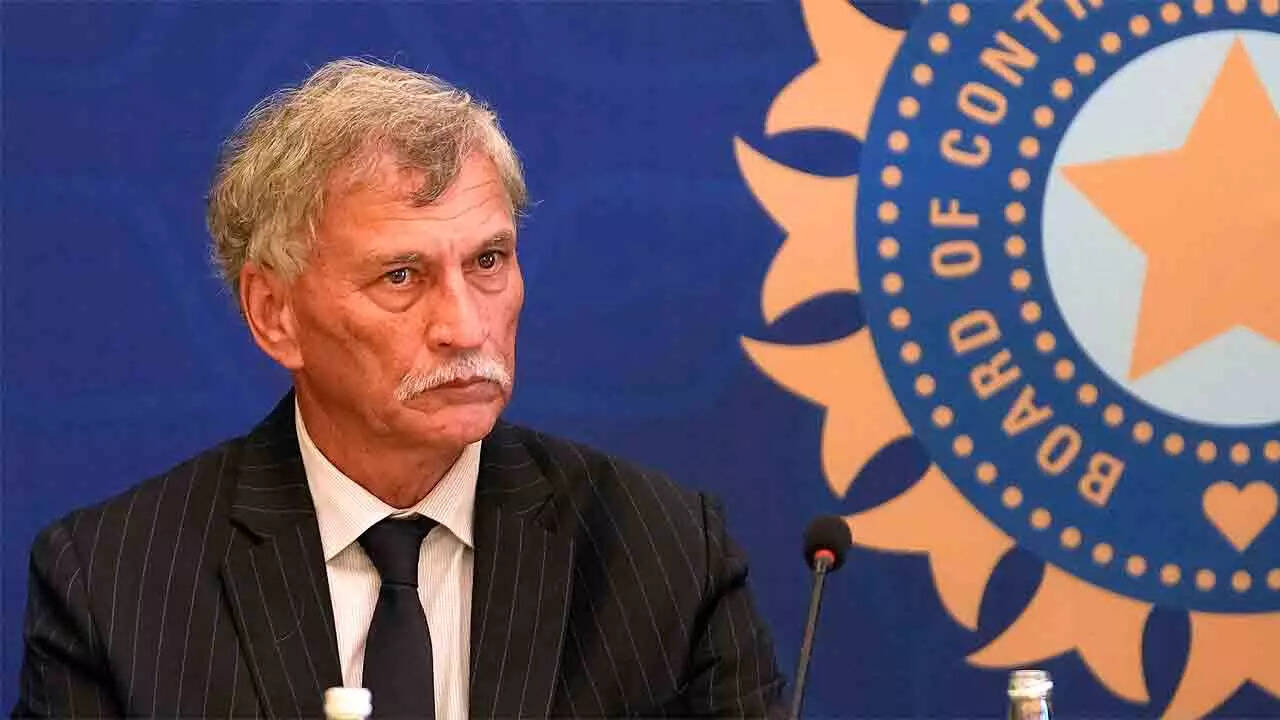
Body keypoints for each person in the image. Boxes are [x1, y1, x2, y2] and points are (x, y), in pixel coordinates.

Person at [13, 59, 784, 719]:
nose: (464, 326)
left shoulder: (665, 557)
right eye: (401, 276)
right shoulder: (115, 586)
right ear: (274, 313)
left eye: (488, 262)